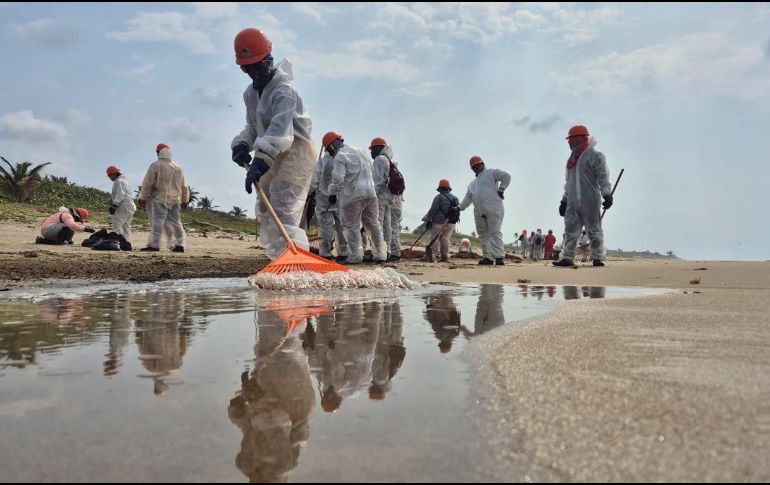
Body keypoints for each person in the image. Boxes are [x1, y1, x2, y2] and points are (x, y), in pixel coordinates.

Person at [231, 28, 316, 261]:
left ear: (269, 59)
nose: (254, 72)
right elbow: (253, 126)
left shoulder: (284, 90)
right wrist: (241, 144)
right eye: (249, 68)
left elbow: (281, 129)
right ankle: (279, 259)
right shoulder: (250, 94)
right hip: (270, 152)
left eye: (259, 65)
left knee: (283, 204)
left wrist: (261, 158)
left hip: (296, 150)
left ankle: (295, 262)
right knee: (265, 208)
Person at [323, 131, 387, 264]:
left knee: (351, 226)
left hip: (353, 196)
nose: (329, 152)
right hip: (371, 193)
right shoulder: (361, 151)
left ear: (332, 146)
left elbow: (338, 179)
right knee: (374, 225)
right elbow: (371, 170)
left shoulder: (340, 156)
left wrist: (332, 193)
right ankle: (380, 255)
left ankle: (355, 256)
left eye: (328, 149)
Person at [554, 125, 613, 267]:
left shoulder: (595, 156)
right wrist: (564, 200)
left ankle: (597, 257)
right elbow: (569, 183)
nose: (569, 143)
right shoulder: (571, 161)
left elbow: (602, 176)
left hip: (590, 199)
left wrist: (607, 194)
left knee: (594, 229)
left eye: (571, 140)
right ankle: (567, 258)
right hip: (572, 202)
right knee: (570, 231)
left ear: (579, 139)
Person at [458, 156, 511, 266]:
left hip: (494, 209)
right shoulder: (472, 183)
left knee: (495, 233)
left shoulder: (491, 173)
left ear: (482, 164)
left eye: (478, 165)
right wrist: (459, 208)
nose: (476, 167)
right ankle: (488, 257)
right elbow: (467, 199)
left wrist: (502, 189)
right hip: (478, 212)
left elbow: (507, 176)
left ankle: (499, 258)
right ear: (471, 168)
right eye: (473, 166)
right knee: (483, 235)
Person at [138, 143, 189, 252]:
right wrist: (185, 200)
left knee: (157, 221)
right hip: (175, 200)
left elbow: (148, 183)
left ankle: (154, 245)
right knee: (176, 223)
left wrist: (143, 197)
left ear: (158, 153)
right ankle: (180, 245)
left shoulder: (155, 165)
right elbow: (184, 186)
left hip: (159, 198)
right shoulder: (178, 167)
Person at [309, 153, 348, 261]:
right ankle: (343, 252)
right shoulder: (341, 160)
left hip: (323, 199)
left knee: (326, 226)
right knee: (341, 226)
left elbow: (314, 181)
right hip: (339, 198)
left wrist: (310, 192)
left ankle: (325, 253)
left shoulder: (322, 161)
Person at [369, 137, 403, 261]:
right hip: (390, 197)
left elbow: (377, 181)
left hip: (381, 196)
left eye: (372, 149)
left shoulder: (379, 160)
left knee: (377, 223)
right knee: (387, 225)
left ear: (377, 148)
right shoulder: (389, 160)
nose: (371, 152)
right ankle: (387, 251)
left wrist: (371, 197)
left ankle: (379, 253)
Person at [422, 179, 460, 262]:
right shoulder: (455, 198)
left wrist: (428, 220)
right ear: (448, 188)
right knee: (445, 238)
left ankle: (432, 256)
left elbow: (433, 210)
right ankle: (445, 256)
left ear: (440, 189)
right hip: (451, 223)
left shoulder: (438, 197)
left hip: (438, 222)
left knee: (435, 239)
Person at [105, 165, 136, 242]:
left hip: (123, 206)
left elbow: (120, 194)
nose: (109, 177)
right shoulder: (124, 181)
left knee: (117, 224)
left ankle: (119, 242)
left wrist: (115, 204)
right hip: (130, 206)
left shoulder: (119, 181)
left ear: (114, 174)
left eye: (109, 175)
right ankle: (126, 242)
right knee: (126, 226)